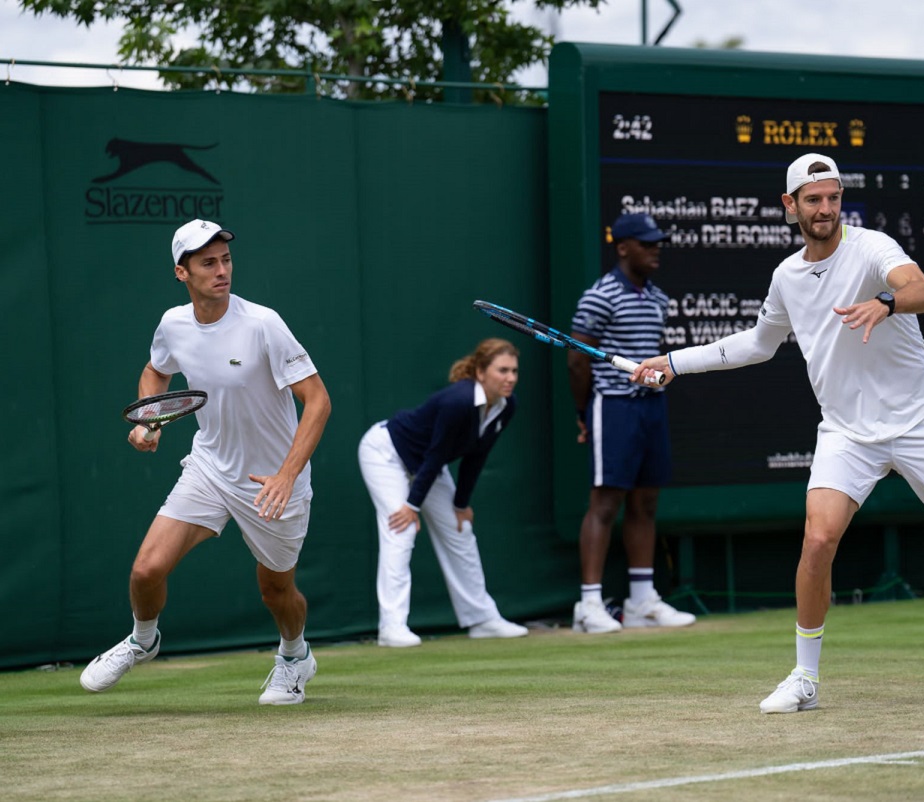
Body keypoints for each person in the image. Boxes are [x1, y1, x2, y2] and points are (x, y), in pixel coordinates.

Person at [630, 154, 924, 711]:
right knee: (818, 540)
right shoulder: (786, 277)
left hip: (922, 419)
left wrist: (886, 301)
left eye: (833, 197)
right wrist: (673, 362)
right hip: (847, 432)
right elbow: (756, 344)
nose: (825, 208)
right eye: (814, 199)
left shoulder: (873, 248)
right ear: (790, 206)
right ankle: (804, 679)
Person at [80, 218, 332, 705]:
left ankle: (296, 655)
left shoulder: (263, 324)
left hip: (272, 481)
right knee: (146, 571)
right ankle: (142, 640)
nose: (222, 270)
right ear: (182, 273)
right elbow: (156, 371)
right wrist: (150, 422)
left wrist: (286, 474)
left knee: (276, 593)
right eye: (208, 262)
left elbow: (318, 401)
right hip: (210, 469)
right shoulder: (174, 324)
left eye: (226, 260)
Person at [567, 212, 696, 634]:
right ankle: (588, 605)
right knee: (605, 503)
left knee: (646, 504)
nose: (655, 248)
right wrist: (584, 414)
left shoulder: (658, 297)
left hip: (651, 406)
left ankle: (641, 601)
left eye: (658, 242)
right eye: (646, 243)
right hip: (614, 406)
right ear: (622, 247)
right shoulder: (599, 296)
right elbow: (577, 360)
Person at [358, 338, 529, 647]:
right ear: (480, 372)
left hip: (425, 466)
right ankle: (391, 627)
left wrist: (461, 503)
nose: (511, 378)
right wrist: (413, 505)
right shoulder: (457, 402)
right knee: (402, 528)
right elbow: (436, 454)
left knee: (460, 528)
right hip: (386, 452)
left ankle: (482, 618)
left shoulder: (506, 407)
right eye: (502, 370)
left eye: (514, 371)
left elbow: (477, 456)